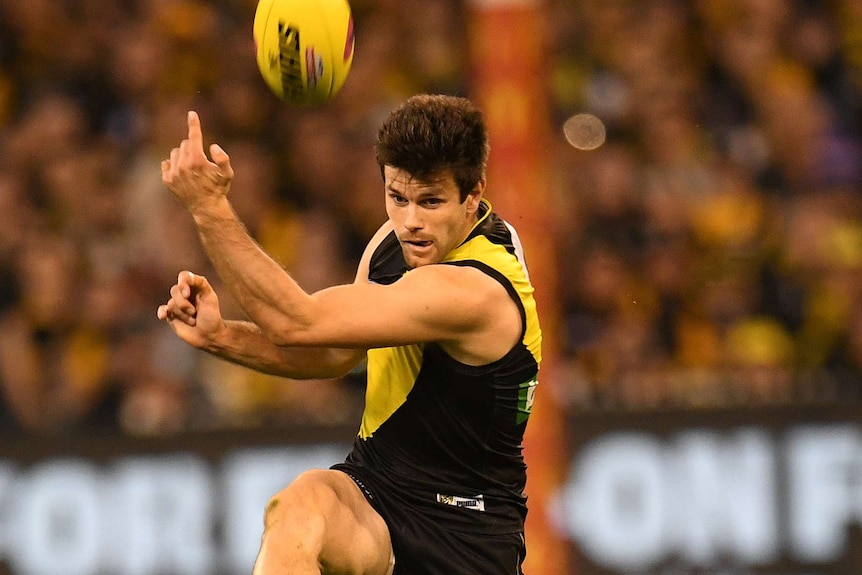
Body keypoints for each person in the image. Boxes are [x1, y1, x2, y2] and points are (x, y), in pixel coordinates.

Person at [157, 94, 542, 575]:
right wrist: (223, 337)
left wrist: (208, 207)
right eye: (397, 198)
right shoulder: (392, 244)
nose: (410, 221)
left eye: (431, 201)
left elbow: (297, 322)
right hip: (377, 492)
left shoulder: (476, 289)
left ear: (474, 194)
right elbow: (333, 353)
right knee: (299, 505)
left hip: (464, 537)